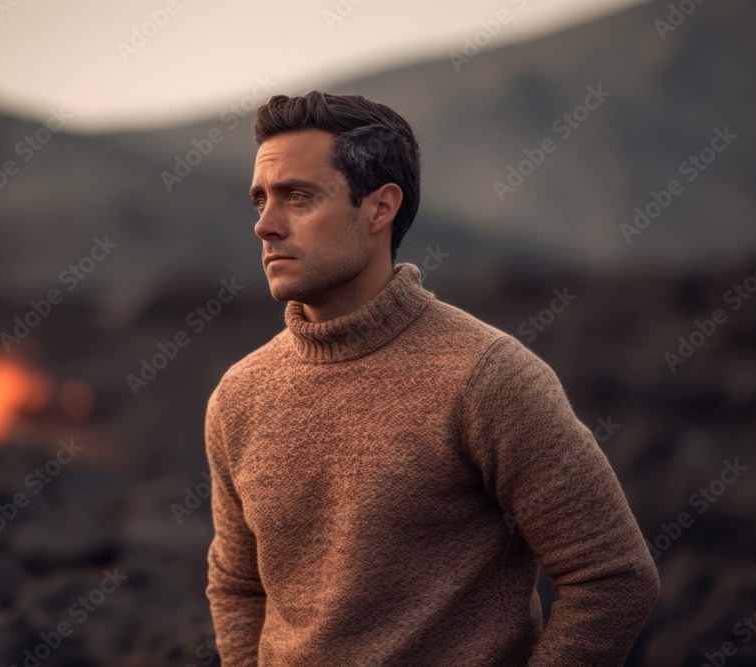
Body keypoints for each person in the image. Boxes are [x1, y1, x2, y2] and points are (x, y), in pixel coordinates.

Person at [203, 90, 660, 666]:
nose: (265, 226)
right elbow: (237, 588)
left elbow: (613, 578)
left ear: (379, 208)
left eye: (298, 197)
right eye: (259, 200)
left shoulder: (487, 376)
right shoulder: (239, 396)